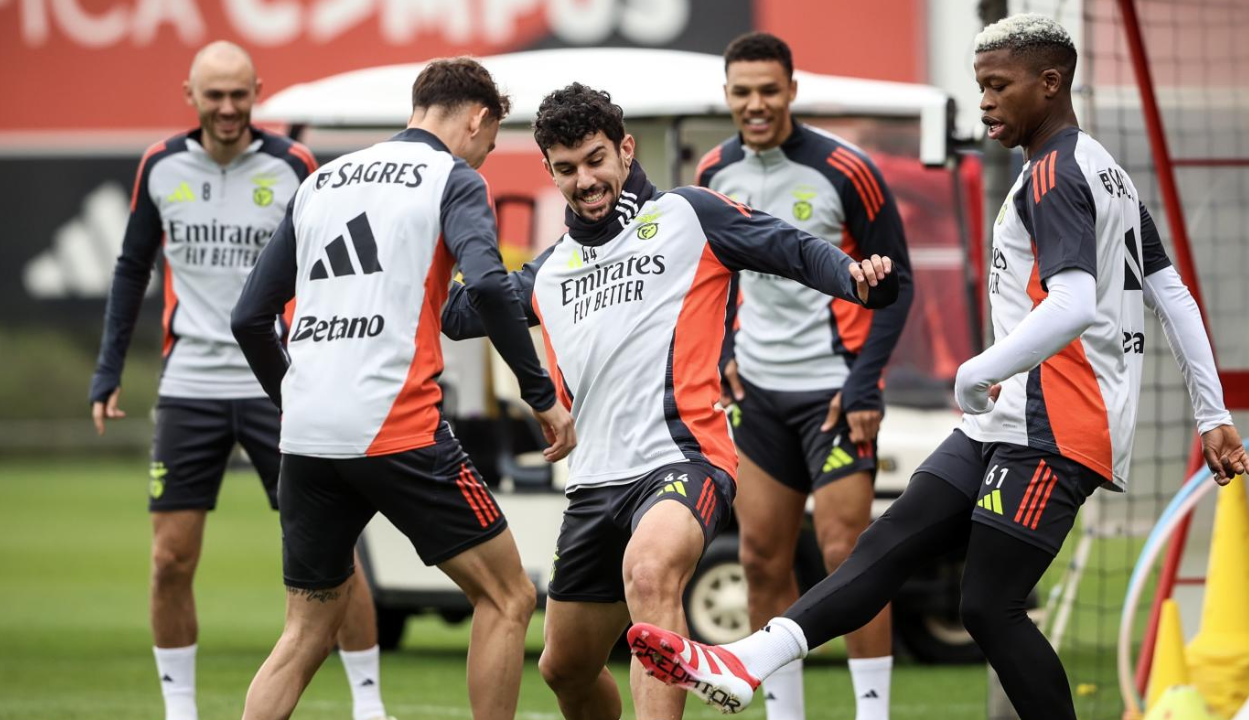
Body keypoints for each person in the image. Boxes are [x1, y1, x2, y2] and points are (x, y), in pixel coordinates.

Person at [629, 14, 1249, 720]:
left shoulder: (1057, 173)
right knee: (886, 543)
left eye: (999, 86)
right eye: (979, 86)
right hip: (1006, 417)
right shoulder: (1098, 168)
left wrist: (974, 371)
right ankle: (748, 662)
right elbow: (1173, 293)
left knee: (988, 605)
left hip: (1056, 425)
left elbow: (1075, 303)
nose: (985, 101)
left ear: (1050, 84)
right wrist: (1212, 414)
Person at [440, 82, 899, 720]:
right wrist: (440, 226)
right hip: (592, 486)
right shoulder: (546, 271)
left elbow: (788, 246)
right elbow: (458, 312)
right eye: (567, 169)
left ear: (626, 150)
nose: (585, 181)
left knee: (651, 571)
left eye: (596, 159)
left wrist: (853, 278)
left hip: (683, 461)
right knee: (565, 669)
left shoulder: (688, 214)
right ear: (549, 171)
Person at [229, 57, 575, 720]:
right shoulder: (453, 178)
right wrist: (541, 396)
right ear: (477, 118)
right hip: (397, 430)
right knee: (508, 597)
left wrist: (294, 401)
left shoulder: (320, 181)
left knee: (304, 633)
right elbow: (489, 286)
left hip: (307, 438)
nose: (486, 152)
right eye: (491, 139)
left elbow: (248, 318)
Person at [89, 41, 393, 720]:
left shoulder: (294, 166)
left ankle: (370, 704)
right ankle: (180, 710)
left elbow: (334, 270)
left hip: (279, 386)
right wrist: (108, 368)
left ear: (257, 91)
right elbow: (132, 268)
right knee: (170, 560)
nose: (227, 108)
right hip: (188, 389)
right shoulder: (160, 165)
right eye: (214, 95)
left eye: (238, 94)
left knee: (333, 551)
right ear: (189, 96)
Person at [696, 31, 914, 720]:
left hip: (834, 394)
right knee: (761, 557)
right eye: (742, 92)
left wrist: (865, 384)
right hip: (756, 397)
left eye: (769, 90)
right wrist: (722, 353)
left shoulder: (846, 169)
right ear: (727, 96)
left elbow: (897, 283)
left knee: (849, 554)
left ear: (792, 90)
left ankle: (872, 714)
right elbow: (708, 278)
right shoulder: (712, 171)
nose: (756, 104)